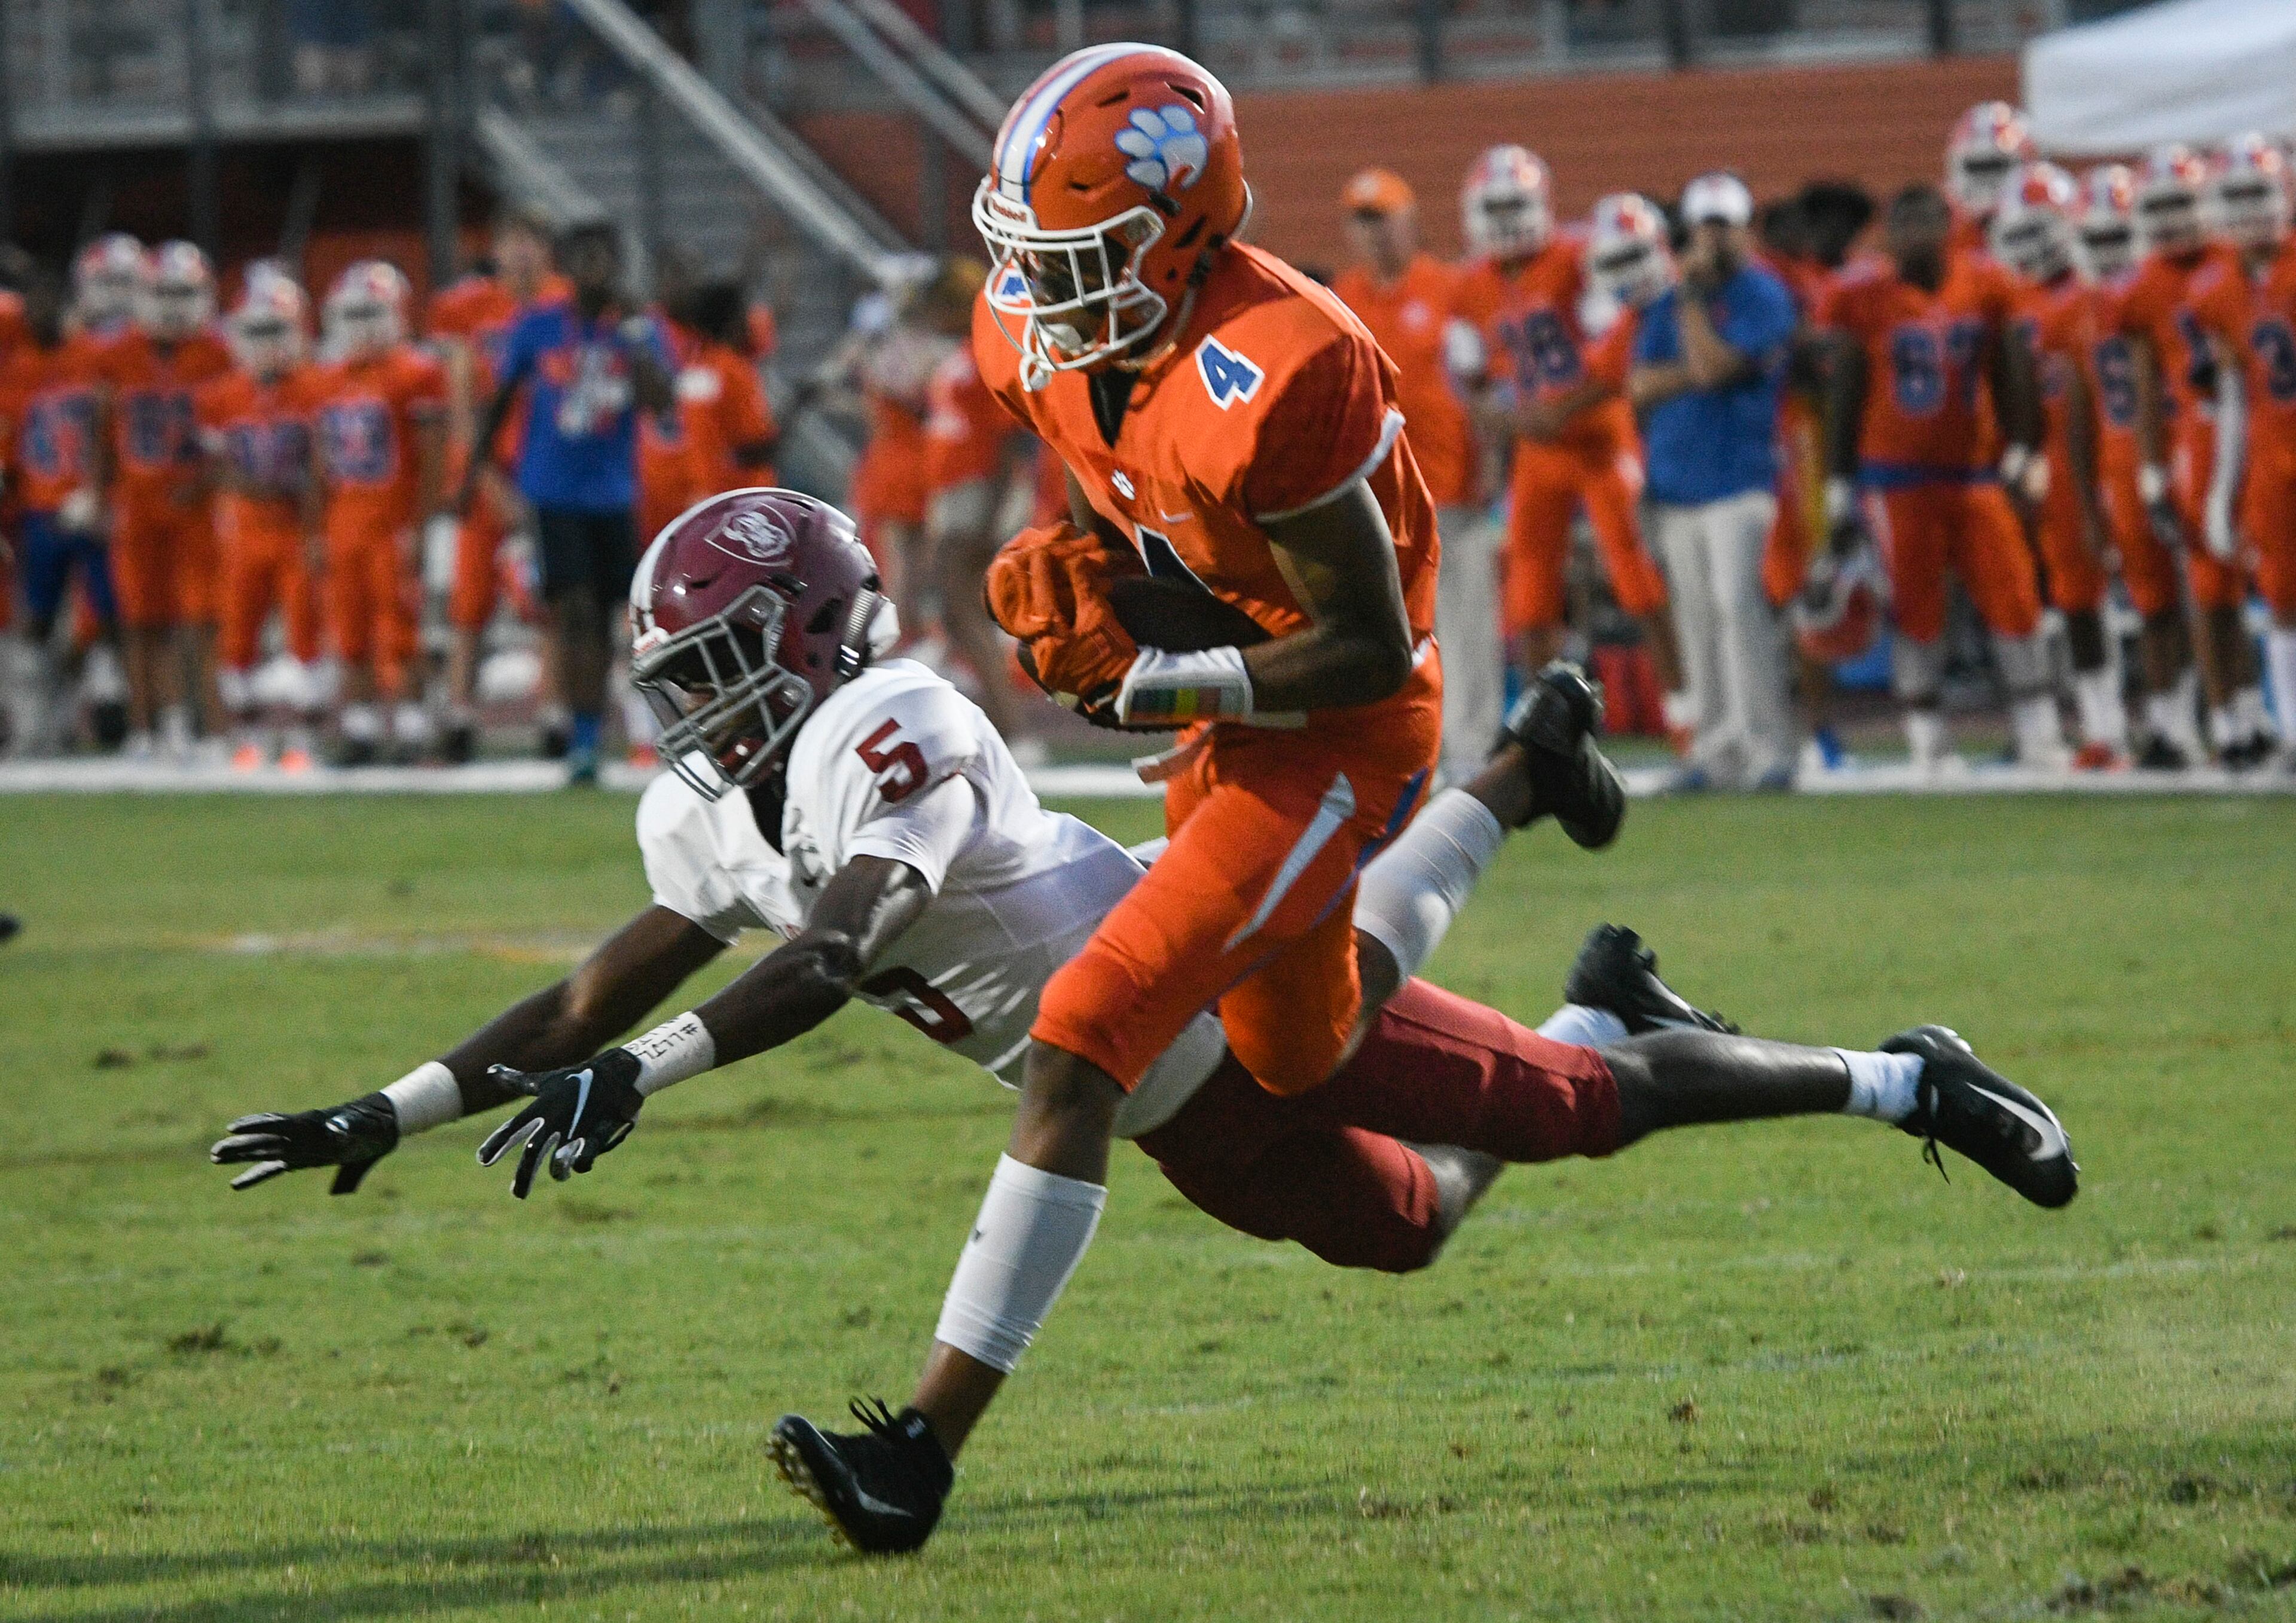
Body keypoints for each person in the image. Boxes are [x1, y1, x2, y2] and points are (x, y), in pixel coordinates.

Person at [209, 489, 2079, 1561]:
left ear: (804, 638)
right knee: (1416, 1218)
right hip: (1186, 1108)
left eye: (711, 666)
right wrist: (389, 1108)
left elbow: (850, 940)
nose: (686, 709)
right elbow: (589, 990)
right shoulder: (709, 805)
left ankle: (1902, 1073)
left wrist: (652, 1071)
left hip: (1178, 985)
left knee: (1566, 1101)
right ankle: (1525, 804)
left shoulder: (901, 723)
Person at [1818, 185, 2066, 774]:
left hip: (1974, 470)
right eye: (1903, 226)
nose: (1914, 239)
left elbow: (2010, 369)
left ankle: (2039, 732)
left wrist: (2023, 447)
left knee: (2015, 597)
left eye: (1925, 225)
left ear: (1947, 227)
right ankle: (1928, 738)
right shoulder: (1862, 297)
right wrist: (1837, 484)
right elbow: (1845, 391)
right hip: (1894, 477)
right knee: (1916, 608)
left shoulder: (1985, 285)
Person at [1448, 146, 1686, 723]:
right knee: (1528, 592)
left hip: (1602, 437)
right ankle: (1541, 731)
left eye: (1516, 204)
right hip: (1538, 450)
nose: (1506, 219)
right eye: (1496, 206)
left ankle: (1687, 715)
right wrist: (1509, 420)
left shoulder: (1580, 256)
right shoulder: (1471, 284)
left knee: (1639, 578)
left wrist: (1565, 407)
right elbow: (1466, 379)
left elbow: (1623, 341)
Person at [464, 221, 673, 785]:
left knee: (610, 617)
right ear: (565, 264)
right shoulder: (538, 325)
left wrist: (634, 342)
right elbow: (502, 399)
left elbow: (663, 402)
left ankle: (595, 729)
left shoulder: (638, 327)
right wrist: (477, 477)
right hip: (552, 489)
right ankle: (582, 734)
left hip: (613, 491)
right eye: (582, 257)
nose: (593, 269)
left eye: (603, 257)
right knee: (574, 607)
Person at [1625, 173, 1800, 790]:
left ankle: (1769, 748)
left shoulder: (1763, 295)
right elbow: (1642, 384)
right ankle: (1716, 750)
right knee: (1698, 618)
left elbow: (1714, 366)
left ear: (1745, 230)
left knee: (1738, 611)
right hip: (1677, 482)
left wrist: (1695, 311)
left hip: (1739, 477)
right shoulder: (1668, 300)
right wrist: (1695, 367)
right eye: (1706, 226)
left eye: (1725, 225)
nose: (1715, 239)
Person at [1330, 167, 1490, 783]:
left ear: (1410, 220)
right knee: (1394, 630)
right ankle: (1407, 748)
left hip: (1450, 486)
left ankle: (1471, 746)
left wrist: (1491, 467)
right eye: (1361, 222)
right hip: (1378, 500)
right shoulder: (1344, 295)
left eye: (1383, 220)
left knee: (1466, 625)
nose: (1373, 236)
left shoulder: (1450, 288)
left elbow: (1485, 383)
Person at [2117, 143, 2274, 766]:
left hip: (2261, 425)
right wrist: (2153, 469)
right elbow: (2146, 386)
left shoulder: (2239, 266)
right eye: (2159, 207)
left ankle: (2260, 712)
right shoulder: (2147, 284)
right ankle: (2232, 718)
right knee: (2213, 588)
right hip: (2201, 436)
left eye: (2181, 204)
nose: (2173, 220)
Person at [1992, 162, 2127, 769]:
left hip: (2116, 449)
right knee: (2075, 595)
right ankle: (2105, 726)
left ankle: (2186, 720)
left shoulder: (2099, 289)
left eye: (2038, 227)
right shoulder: (2015, 297)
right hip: (2056, 461)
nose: (2027, 244)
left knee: (2156, 590)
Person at [428, 207, 573, 763]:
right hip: (488, 470)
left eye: (531, 240)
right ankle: (458, 718)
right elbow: (464, 406)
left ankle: (555, 715)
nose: (520, 253)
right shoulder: (470, 309)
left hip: (552, 472)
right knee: (469, 601)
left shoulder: (566, 304)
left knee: (553, 600)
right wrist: (486, 476)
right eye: (511, 240)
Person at [2075, 163, 2205, 768]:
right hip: (2123, 456)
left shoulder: (2174, 285)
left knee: (2213, 591)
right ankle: (2170, 724)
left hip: (2188, 440)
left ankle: (2232, 718)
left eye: (2115, 236)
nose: (2108, 252)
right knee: (2153, 601)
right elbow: (2079, 407)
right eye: (2095, 239)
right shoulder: (2076, 309)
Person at [96, 240, 231, 760]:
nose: (174, 304)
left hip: (197, 501)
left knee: (201, 617)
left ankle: (201, 725)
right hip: (137, 498)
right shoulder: (117, 352)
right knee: (139, 617)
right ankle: (144, 726)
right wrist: (97, 492)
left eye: (184, 292)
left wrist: (204, 482)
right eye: (164, 292)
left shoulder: (218, 351)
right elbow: (102, 427)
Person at [2186, 135, 2296, 771]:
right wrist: (2222, 488)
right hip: (2272, 453)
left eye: (2258, 191)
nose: (2250, 209)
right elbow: (2228, 393)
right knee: (2282, 597)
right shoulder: (2214, 288)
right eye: (2237, 196)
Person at [312, 262, 448, 765]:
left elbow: (433, 455)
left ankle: (411, 728)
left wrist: (423, 522)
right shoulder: (328, 377)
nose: (363, 324)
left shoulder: (417, 371)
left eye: (373, 312)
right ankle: (362, 728)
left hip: (394, 521)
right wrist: (317, 528)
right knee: (350, 628)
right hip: (345, 520)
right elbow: (320, 463)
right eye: (354, 313)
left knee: (401, 625)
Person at [197, 269, 326, 770]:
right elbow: (213, 468)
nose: (268, 343)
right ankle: (245, 737)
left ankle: (302, 738)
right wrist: (248, 485)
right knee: (238, 636)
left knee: (305, 633)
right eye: (259, 331)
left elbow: (322, 468)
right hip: (244, 528)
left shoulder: (316, 388)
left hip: (295, 528)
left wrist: (313, 524)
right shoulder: (222, 395)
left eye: (278, 330)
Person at [915, 257, 1040, 751]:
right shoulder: (963, 353)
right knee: (957, 609)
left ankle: (1012, 726)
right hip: (956, 488)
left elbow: (1010, 435)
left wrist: (993, 509)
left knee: (958, 603)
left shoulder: (987, 352)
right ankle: (1000, 722)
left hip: (977, 489)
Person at [0, 265, 120, 754]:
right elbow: (10, 441)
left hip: (87, 507)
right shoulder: (19, 367)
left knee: (108, 616)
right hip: (39, 509)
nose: (43, 316)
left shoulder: (92, 357)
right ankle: (37, 721)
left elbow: (109, 431)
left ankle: (92, 710)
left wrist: (100, 492)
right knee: (38, 619)